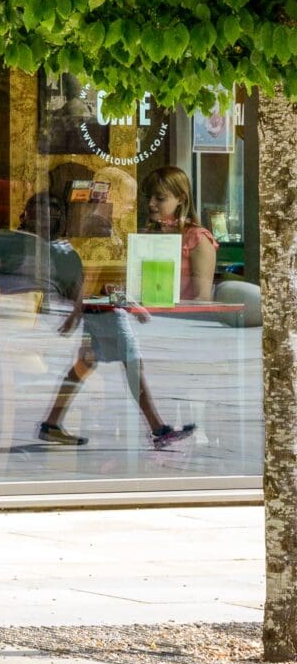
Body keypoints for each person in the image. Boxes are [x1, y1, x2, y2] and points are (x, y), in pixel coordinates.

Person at [36, 207, 195, 451]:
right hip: (108, 316)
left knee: (82, 367)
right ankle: (158, 429)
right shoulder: (104, 248)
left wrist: (77, 314)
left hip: (95, 314)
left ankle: (51, 423)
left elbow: (93, 285)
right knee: (133, 367)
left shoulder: (96, 247)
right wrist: (133, 307)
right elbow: (102, 286)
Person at [142, 165, 218, 303]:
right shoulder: (147, 234)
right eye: (148, 197)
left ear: (181, 199)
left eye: (160, 198)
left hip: (182, 314)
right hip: (145, 311)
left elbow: (202, 297)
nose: (151, 203)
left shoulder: (198, 238)